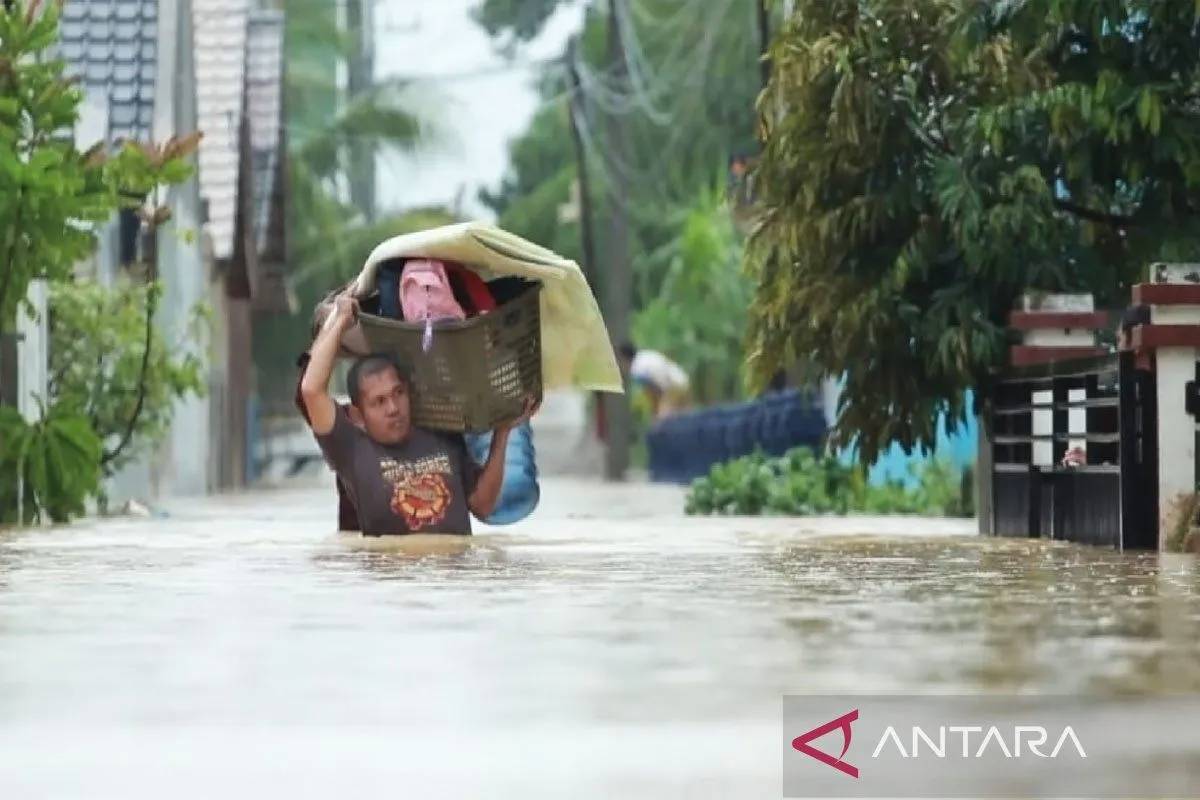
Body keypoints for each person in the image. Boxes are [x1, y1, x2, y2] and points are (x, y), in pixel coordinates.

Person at [299, 291, 538, 535]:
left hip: (457, 561)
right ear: (358, 415)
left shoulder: (442, 431)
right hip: (389, 561)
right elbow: (311, 390)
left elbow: (482, 506)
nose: (393, 408)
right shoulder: (352, 449)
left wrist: (502, 433)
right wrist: (340, 319)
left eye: (398, 393)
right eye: (379, 402)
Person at [617, 342, 692, 420]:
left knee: (663, 418)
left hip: (673, 387)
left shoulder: (637, 369)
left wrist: (655, 411)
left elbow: (652, 390)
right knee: (683, 414)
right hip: (682, 380)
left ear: (624, 358)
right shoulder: (645, 355)